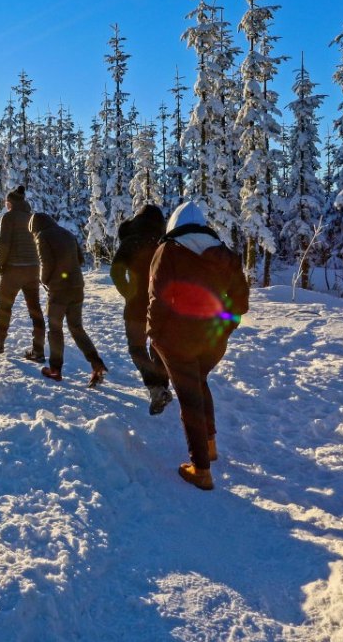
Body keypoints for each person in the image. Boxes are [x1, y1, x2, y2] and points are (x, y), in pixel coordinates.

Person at [146, 200, 249, 491]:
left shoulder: (167, 251)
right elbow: (240, 303)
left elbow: (158, 299)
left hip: (176, 341)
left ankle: (201, 469)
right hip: (213, 340)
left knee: (189, 397)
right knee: (199, 383)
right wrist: (224, 326)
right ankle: (210, 443)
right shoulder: (225, 254)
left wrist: (153, 334)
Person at [28, 212, 108, 384]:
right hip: (77, 287)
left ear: (35, 228)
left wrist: (44, 279)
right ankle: (97, 365)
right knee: (77, 328)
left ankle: (55, 370)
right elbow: (79, 259)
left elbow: (46, 263)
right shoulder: (66, 233)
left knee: (55, 329)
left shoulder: (42, 236)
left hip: (59, 291)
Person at [109, 204, 174, 415]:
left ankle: (156, 388)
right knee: (158, 347)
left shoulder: (130, 241)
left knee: (136, 348)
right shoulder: (165, 242)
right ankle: (161, 387)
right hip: (163, 305)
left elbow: (115, 272)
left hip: (136, 305)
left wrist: (129, 292)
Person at [0, 186, 45, 361]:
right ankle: (38, 350)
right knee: (35, 310)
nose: (6, 206)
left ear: (12, 203)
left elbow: (4, 244)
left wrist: (1, 265)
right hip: (33, 269)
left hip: (14, 270)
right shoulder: (33, 218)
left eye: (7, 203)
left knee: (4, 307)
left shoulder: (8, 218)